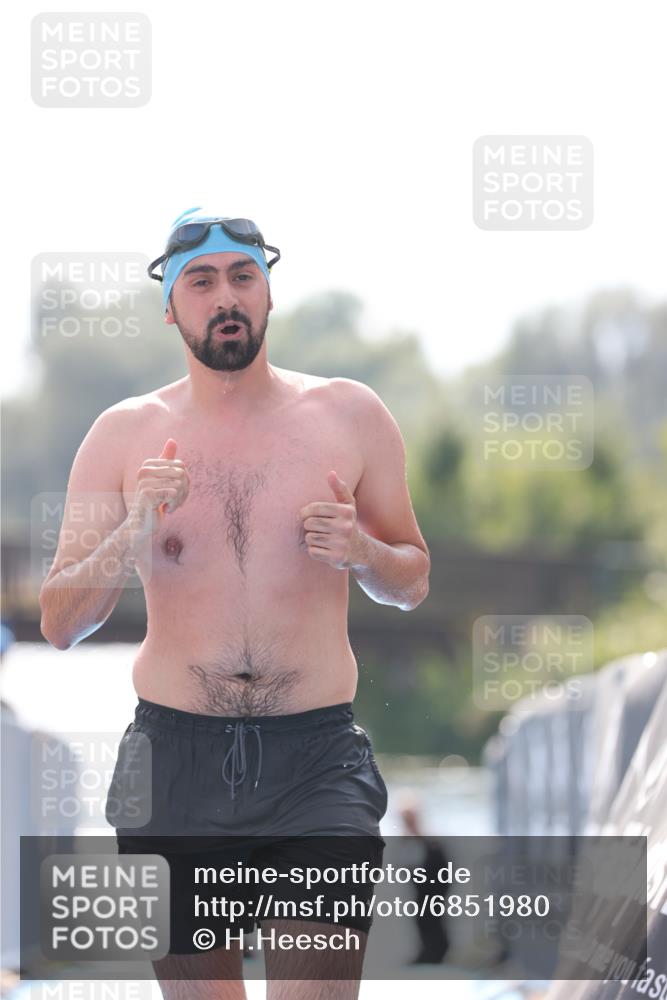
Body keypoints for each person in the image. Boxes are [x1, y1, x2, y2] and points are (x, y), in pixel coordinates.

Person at [39, 208, 431, 1000]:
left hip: (315, 762)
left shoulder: (349, 416)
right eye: (203, 281)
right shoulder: (121, 436)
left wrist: (362, 552)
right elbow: (58, 622)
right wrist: (133, 531)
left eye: (243, 277)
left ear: (269, 292)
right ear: (171, 305)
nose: (226, 297)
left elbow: (412, 579)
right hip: (172, 763)